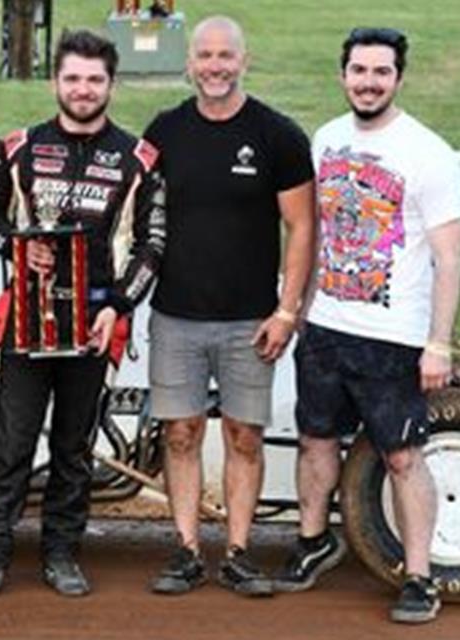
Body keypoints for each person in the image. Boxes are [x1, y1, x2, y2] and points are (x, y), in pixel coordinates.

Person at [0, 29, 167, 601]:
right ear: (57, 81)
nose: (82, 89)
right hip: (28, 323)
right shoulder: (19, 149)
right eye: (73, 78)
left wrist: (122, 306)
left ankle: (60, 553)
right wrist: (19, 245)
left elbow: (153, 245)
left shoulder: (138, 159)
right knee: (11, 445)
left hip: (95, 325)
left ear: (111, 85)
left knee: (74, 450)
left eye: (94, 79)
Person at [272, 28, 460, 625]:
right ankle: (312, 543)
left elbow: (450, 256)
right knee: (315, 440)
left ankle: (418, 576)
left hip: (393, 336)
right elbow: (310, 232)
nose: (369, 81)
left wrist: (438, 342)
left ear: (398, 78)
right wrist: (297, 307)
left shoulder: (427, 151)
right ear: (343, 75)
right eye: (359, 70)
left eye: (381, 72)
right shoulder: (326, 141)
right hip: (326, 325)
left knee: (404, 456)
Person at [141, 15, 316, 597]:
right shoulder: (164, 131)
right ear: (189, 63)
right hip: (175, 316)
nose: (215, 67)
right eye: (205, 56)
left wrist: (287, 311)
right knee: (182, 434)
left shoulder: (278, 136)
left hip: (251, 319)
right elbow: (140, 219)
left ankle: (238, 552)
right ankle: (187, 550)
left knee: (244, 435)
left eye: (226, 56)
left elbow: (301, 226)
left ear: (245, 61)